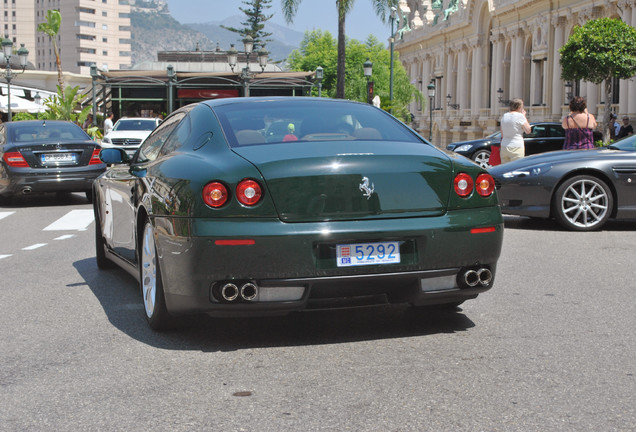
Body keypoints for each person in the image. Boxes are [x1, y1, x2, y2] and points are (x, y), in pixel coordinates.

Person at [499, 98, 531, 163]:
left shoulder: (504, 116)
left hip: (504, 145)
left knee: (505, 169)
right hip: (516, 146)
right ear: (519, 107)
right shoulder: (519, 116)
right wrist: (524, 116)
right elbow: (528, 130)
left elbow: (502, 133)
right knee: (516, 168)